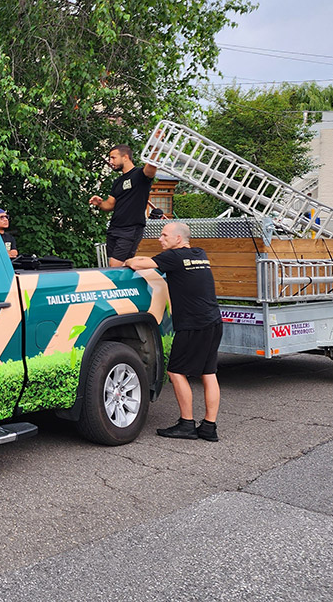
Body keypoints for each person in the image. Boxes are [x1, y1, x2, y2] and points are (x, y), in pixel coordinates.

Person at [125, 221, 222, 442]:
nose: (160, 239)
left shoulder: (173, 257)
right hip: (213, 321)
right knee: (209, 373)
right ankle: (209, 427)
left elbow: (139, 264)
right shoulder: (200, 254)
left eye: (164, 235)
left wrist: (127, 260)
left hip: (193, 324)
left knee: (176, 372)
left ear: (178, 239)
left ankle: (187, 424)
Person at [88, 144, 158, 267]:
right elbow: (109, 205)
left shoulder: (140, 175)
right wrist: (99, 203)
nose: (110, 162)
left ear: (125, 157)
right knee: (119, 265)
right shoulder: (117, 182)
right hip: (114, 228)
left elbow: (151, 167)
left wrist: (156, 144)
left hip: (130, 229)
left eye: (113, 158)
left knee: (115, 266)